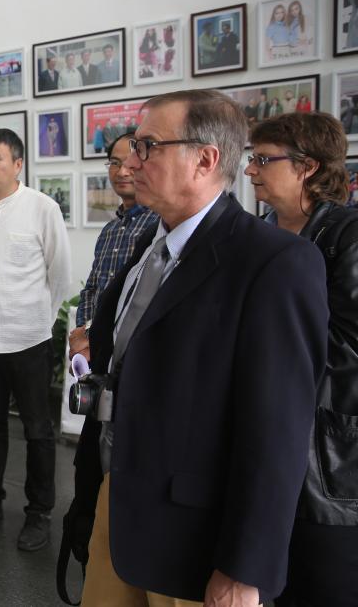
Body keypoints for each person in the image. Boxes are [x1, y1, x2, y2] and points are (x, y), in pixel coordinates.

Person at [67, 89, 328, 606]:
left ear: (205, 159)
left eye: (147, 147)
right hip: (119, 502)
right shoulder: (150, 249)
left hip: (197, 535)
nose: (130, 163)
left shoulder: (273, 262)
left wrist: (243, 569)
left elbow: (278, 433)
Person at [243, 112, 358, 607]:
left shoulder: (348, 235)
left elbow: (349, 353)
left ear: (307, 167)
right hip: (261, 445)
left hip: (326, 457)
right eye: (252, 158)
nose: (251, 170)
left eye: (264, 159)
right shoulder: (254, 235)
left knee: (322, 584)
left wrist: (257, 362)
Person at [0, 128, 71, 552]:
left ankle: (39, 511)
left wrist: (38, 320)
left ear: (18, 164)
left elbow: (60, 275)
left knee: (38, 429)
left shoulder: (43, 208)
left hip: (29, 339)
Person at [68, 134, 159, 361]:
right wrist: (85, 334)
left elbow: (145, 299)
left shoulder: (160, 226)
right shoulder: (110, 230)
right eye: (115, 163)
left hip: (135, 353)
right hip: (97, 352)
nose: (122, 172)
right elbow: (91, 289)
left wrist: (91, 334)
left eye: (130, 163)